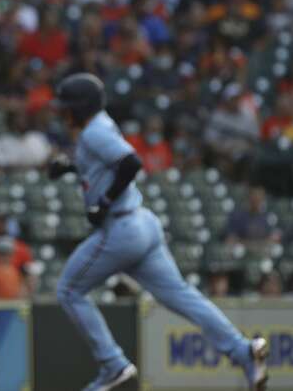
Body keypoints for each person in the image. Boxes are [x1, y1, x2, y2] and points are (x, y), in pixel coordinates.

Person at [50, 73, 267, 391]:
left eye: (67, 107)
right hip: (142, 224)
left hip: (121, 227)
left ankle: (112, 364)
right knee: (182, 296)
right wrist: (71, 167)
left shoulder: (93, 132)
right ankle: (242, 351)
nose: (63, 112)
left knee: (68, 291)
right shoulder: (100, 125)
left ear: (80, 107)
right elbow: (107, 164)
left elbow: (130, 162)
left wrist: (105, 202)